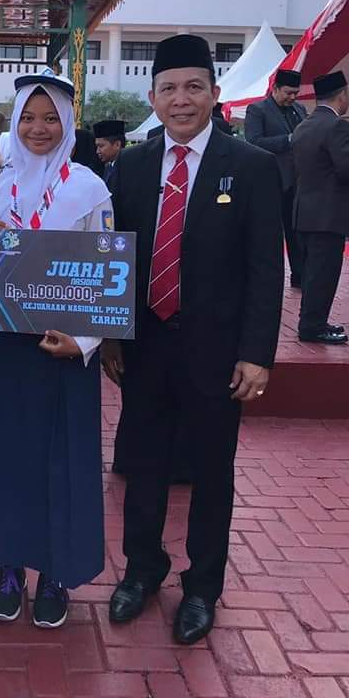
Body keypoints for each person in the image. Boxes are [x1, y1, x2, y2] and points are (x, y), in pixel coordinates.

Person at [103, 34, 283, 645]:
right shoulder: (130, 166)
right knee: (143, 465)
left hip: (217, 352)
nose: (181, 100)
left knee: (212, 472)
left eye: (193, 87)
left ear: (214, 92)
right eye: (169, 89)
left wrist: (257, 354)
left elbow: (266, 269)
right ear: (152, 98)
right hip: (145, 347)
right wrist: (111, 337)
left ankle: (203, 586)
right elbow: (117, 257)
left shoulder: (251, 167)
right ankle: (141, 570)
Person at [0, 68, 111, 630]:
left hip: (63, 351)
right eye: (28, 117)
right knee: (9, 459)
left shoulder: (89, 189)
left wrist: (83, 342)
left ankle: (55, 572)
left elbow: (109, 276)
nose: (38, 128)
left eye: (51, 118)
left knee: (61, 461)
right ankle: (9, 568)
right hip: (10, 349)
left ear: (68, 123)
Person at [292, 71, 349, 345]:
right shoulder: (337, 126)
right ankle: (312, 327)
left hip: (305, 211)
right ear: (342, 95)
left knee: (314, 274)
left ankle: (312, 322)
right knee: (323, 274)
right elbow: (345, 169)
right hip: (328, 213)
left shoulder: (304, 125)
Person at [245, 69, 307, 287]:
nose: (292, 97)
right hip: (271, 182)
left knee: (297, 232)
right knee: (270, 235)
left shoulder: (299, 109)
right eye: (288, 93)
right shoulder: (257, 110)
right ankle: (268, 278)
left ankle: (300, 275)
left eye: (295, 93)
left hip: (298, 181)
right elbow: (254, 142)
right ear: (275, 89)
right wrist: (288, 140)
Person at [93, 120, 126, 184]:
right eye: (97, 147)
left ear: (117, 144)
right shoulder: (108, 168)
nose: (97, 151)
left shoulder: (128, 169)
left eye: (101, 146)